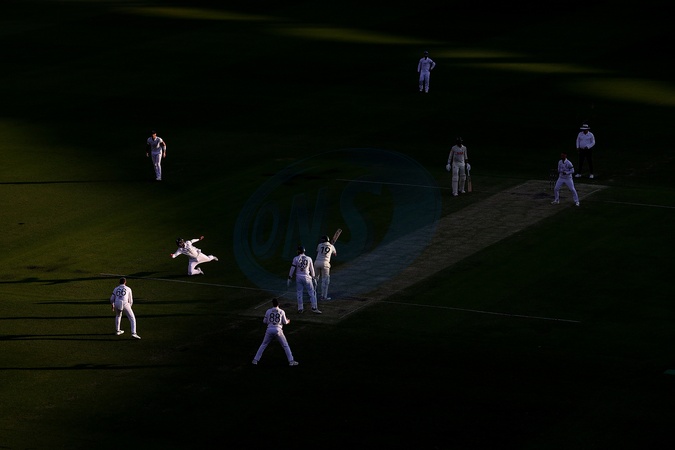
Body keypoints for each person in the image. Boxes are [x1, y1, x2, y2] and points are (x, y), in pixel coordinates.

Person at [252, 298, 299, 366]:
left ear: (272, 303)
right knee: (285, 345)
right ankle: (291, 361)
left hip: (269, 330)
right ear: (278, 304)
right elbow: (285, 322)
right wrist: (288, 321)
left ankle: (255, 360)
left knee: (263, 344)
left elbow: (264, 321)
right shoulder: (281, 311)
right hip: (278, 330)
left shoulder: (268, 311)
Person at [288, 246, 321, 314]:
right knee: (311, 293)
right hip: (307, 278)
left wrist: (289, 277)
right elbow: (311, 269)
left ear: (298, 251)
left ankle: (300, 308)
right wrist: (313, 277)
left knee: (299, 293)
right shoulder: (309, 258)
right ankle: (314, 307)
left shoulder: (296, 258)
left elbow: (292, 268)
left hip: (298, 278)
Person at [315, 235, 337, 301]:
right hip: (325, 263)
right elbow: (335, 254)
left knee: (315, 279)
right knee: (325, 280)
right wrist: (332, 247)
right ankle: (323, 296)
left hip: (317, 262)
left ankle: (313, 294)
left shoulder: (319, 245)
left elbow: (318, 251)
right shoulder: (332, 246)